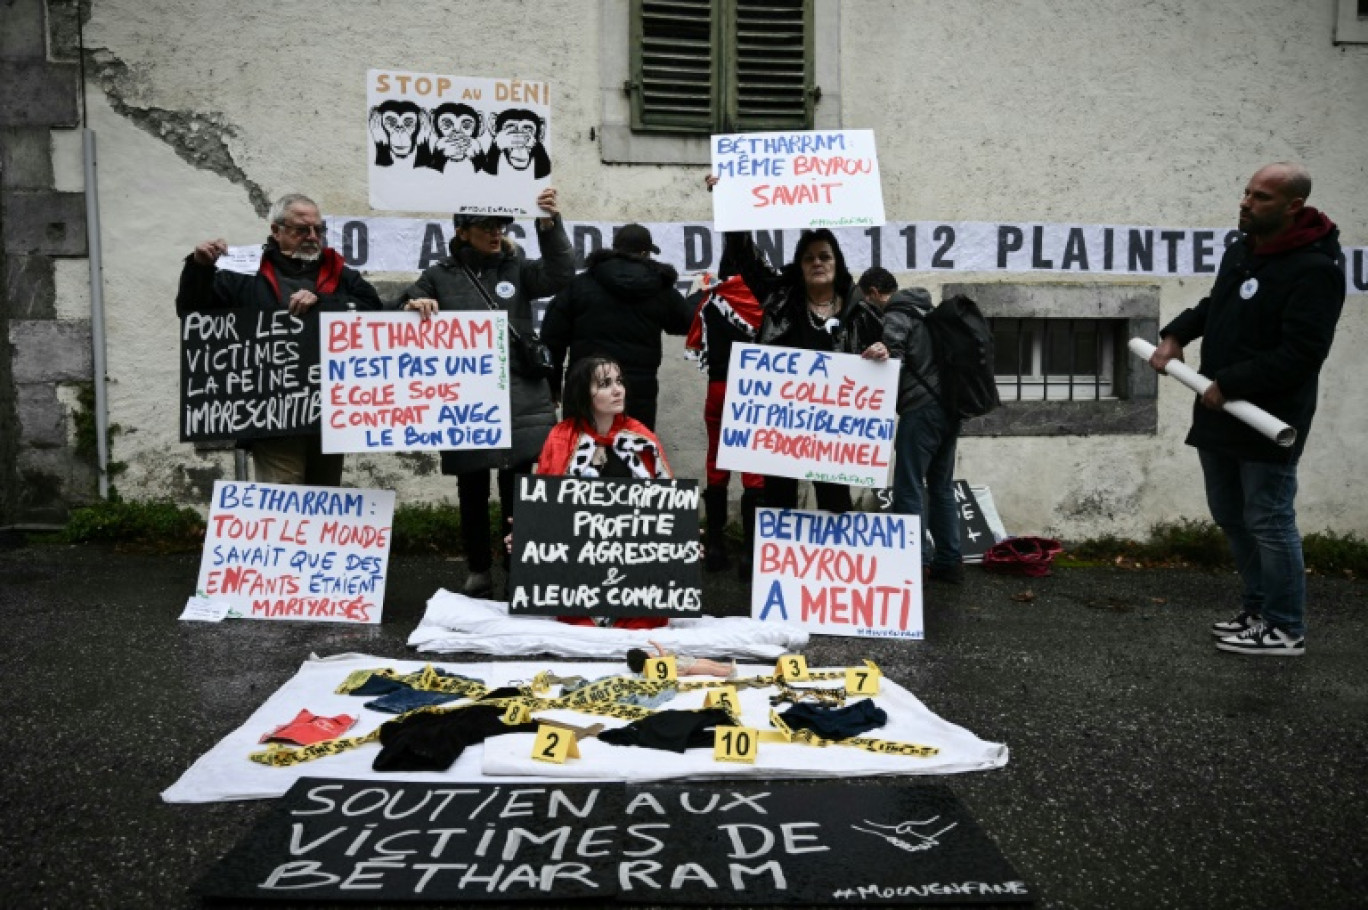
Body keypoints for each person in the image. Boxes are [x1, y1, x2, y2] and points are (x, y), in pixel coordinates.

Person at [1148, 162, 1345, 657]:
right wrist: (1175, 335)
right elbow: (1218, 304)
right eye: (1246, 193)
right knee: (1231, 515)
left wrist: (1230, 381)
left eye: (1261, 197)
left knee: (1270, 519)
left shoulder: (1316, 269)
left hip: (1267, 419)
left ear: (1292, 206)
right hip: (1217, 410)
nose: (1246, 203)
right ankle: (1257, 611)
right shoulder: (1244, 249)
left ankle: (1285, 628)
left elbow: (1302, 354)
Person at [394, 187, 574, 599]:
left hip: (522, 402)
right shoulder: (438, 276)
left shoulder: (519, 269)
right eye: (486, 226)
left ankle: (518, 569)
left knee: (519, 492)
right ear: (461, 231)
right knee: (471, 491)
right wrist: (413, 305)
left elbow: (561, 274)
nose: (496, 233)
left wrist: (549, 224)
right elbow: (397, 312)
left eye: (501, 226)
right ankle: (478, 569)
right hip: (465, 407)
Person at [176, 193, 382, 485]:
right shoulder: (243, 271)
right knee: (284, 500)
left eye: (318, 230)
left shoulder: (340, 273)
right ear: (276, 231)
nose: (312, 236)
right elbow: (194, 314)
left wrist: (321, 302)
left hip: (330, 412)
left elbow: (374, 312)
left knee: (325, 498)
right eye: (302, 229)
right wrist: (199, 268)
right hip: (272, 415)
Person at [532, 354, 673, 630]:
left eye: (619, 381)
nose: (617, 389)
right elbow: (545, 501)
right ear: (584, 393)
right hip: (579, 566)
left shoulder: (643, 439)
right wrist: (529, 532)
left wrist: (683, 537)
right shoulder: (561, 437)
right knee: (579, 621)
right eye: (605, 384)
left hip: (633, 564)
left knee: (644, 621)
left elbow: (666, 503)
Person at [755, 229, 889, 514]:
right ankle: (781, 558)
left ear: (836, 262)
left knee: (835, 503)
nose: (817, 263)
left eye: (825, 257)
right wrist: (731, 204)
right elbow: (747, 261)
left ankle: (835, 558)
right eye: (809, 258)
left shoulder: (860, 312)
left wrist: (882, 353)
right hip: (783, 424)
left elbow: (885, 364)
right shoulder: (781, 305)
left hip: (833, 433)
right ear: (800, 267)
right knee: (779, 502)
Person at [859, 267, 964, 583]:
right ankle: (948, 561)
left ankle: (912, 563)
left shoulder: (897, 313)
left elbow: (893, 365)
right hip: (950, 408)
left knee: (909, 485)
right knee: (941, 486)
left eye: (868, 298)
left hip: (920, 410)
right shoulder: (927, 310)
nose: (869, 304)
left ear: (876, 291)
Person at [686, 228, 778, 575]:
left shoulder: (711, 297)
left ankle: (715, 546)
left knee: (716, 462)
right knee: (753, 470)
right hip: (752, 389)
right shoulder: (763, 300)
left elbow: (690, 329)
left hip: (718, 387)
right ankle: (751, 554)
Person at [540, 223, 693, 429]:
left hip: (587, 389)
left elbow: (552, 339)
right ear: (645, 253)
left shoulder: (580, 285)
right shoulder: (660, 289)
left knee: (583, 453)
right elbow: (685, 323)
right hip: (637, 394)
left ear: (614, 249)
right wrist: (698, 296)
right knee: (633, 455)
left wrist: (552, 387)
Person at [627, 641, 736, 678]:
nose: (649, 652)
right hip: (685, 666)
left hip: (685, 661)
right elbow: (665, 661)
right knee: (708, 668)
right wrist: (657, 645)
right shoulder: (654, 664)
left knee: (706, 662)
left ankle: (726, 667)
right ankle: (727, 672)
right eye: (646, 653)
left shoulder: (653, 661)